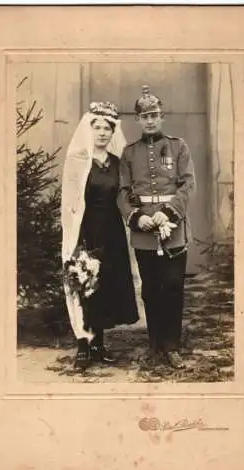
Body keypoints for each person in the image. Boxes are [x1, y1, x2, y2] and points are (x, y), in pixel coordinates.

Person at [117, 85, 196, 369]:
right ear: (137, 120)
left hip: (173, 228)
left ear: (162, 117)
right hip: (144, 232)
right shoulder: (129, 153)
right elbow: (122, 191)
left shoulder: (179, 146)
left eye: (155, 115)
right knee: (150, 289)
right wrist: (137, 217)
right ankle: (154, 344)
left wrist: (167, 212)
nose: (150, 121)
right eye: (144, 116)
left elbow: (188, 184)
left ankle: (172, 346)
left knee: (173, 286)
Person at [61, 102, 139, 369]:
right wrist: (75, 239)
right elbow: (71, 202)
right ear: (89, 130)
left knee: (105, 284)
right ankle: (82, 344)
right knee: (84, 281)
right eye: (98, 128)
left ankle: (99, 344)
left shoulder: (118, 163)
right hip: (87, 228)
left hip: (113, 231)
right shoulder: (79, 162)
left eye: (108, 128)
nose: (103, 133)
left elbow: (126, 195)